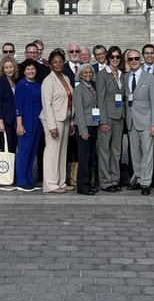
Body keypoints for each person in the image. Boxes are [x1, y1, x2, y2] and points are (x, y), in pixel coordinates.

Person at [124, 48, 154, 195]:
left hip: (146, 121)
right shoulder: (125, 77)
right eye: (130, 59)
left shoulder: (150, 78)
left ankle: (146, 182)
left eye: (136, 59)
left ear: (141, 60)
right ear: (127, 61)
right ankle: (138, 178)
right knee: (135, 153)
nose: (133, 61)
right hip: (131, 121)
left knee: (147, 154)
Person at [40, 48, 74, 193]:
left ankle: (61, 182)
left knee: (62, 152)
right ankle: (50, 184)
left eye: (60, 61)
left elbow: (70, 100)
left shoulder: (65, 78)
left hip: (65, 118)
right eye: (55, 62)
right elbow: (46, 104)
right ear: (50, 64)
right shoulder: (48, 80)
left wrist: (71, 121)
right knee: (52, 152)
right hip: (52, 119)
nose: (58, 64)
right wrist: (52, 126)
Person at [96, 46, 126, 193]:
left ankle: (115, 179)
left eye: (118, 57)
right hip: (107, 118)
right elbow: (100, 98)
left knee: (116, 151)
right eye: (112, 57)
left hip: (119, 117)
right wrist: (103, 120)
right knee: (104, 150)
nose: (115, 59)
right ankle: (105, 181)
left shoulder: (122, 74)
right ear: (108, 58)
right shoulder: (102, 75)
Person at [14, 58, 43, 191]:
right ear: (24, 72)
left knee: (32, 152)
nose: (31, 71)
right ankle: (21, 180)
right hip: (25, 122)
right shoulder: (21, 84)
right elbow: (18, 106)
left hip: (37, 123)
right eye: (28, 69)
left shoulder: (38, 85)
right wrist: (19, 124)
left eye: (32, 69)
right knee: (24, 152)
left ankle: (29, 178)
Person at [72, 63, 99, 196]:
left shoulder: (92, 87)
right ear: (80, 75)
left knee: (90, 157)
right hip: (84, 126)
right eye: (85, 73)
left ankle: (89, 183)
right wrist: (83, 130)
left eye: (90, 73)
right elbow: (79, 111)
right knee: (83, 158)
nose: (88, 75)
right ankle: (82, 186)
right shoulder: (79, 89)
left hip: (93, 124)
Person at [0, 57, 18, 155]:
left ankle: (12, 169)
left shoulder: (15, 81)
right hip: (5, 120)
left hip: (14, 119)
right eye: (6, 68)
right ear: (3, 69)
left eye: (11, 67)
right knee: (6, 147)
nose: (9, 70)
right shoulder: (0, 82)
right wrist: (0, 121)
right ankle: (7, 169)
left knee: (13, 146)